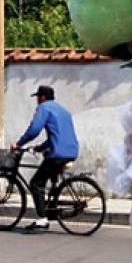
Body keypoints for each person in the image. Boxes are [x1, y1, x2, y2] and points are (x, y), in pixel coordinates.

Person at [11, 85, 80, 232]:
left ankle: (42, 219)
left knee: (36, 183)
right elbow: (57, 136)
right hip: (72, 151)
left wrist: (19, 143)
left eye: (37, 97)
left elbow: (34, 130)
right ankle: (51, 206)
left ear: (42, 97)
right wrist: (40, 148)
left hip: (58, 154)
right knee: (49, 175)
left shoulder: (44, 108)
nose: (37, 100)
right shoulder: (64, 111)